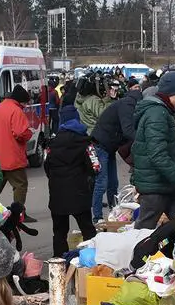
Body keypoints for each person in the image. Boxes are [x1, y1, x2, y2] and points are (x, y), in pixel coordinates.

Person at [132, 71, 175, 229]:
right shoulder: (157, 114)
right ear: (169, 93)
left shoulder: (162, 111)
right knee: (143, 233)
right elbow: (158, 155)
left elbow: (169, 154)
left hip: (167, 185)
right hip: (155, 186)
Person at [46, 105, 98, 257]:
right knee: (87, 229)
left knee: (59, 231)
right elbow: (95, 167)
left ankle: (59, 261)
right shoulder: (85, 141)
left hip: (57, 193)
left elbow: (47, 166)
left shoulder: (52, 143)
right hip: (79, 192)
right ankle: (92, 259)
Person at [90, 79, 141, 220]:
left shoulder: (128, 104)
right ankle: (97, 218)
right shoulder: (127, 105)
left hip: (109, 146)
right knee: (101, 182)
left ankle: (114, 214)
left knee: (113, 183)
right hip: (100, 145)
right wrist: (144, 140)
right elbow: (128, 130)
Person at [0, 85, 33, 211]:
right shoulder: (16, 111)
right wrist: (29, 133)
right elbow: (20, 133)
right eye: (25, 103)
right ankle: (18, 213)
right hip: (13, 157)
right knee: (20, 185)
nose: (25, 106)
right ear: (21, 101)